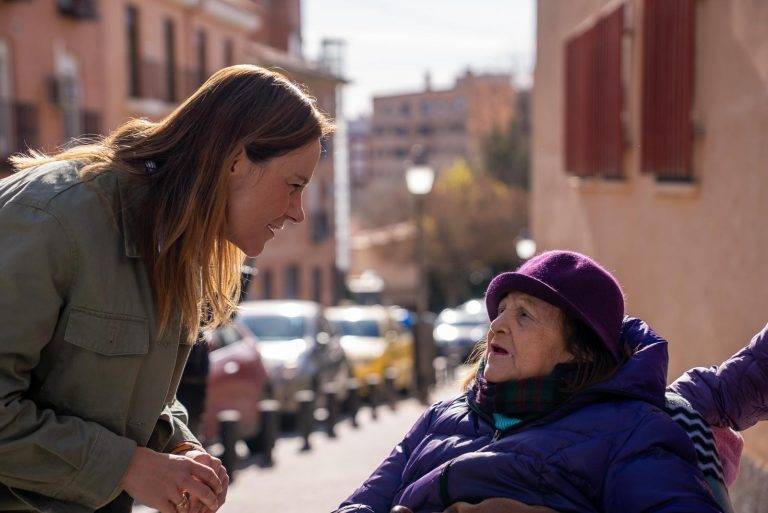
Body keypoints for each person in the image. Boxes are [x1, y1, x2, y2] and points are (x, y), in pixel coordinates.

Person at [0, 64, 332, 513]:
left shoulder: (173, 242)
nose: (298, 212)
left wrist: (176, 446)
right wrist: (127, 468)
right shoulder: (54, 218)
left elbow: (119, 388)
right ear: (236, 161)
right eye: (293, 186)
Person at [336, 250, 722, 513]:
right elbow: (362, 503)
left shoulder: (629, 430)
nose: (497, 325)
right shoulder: (440, 417)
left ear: (579, 351)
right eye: (501, 309)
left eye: (524, 315)